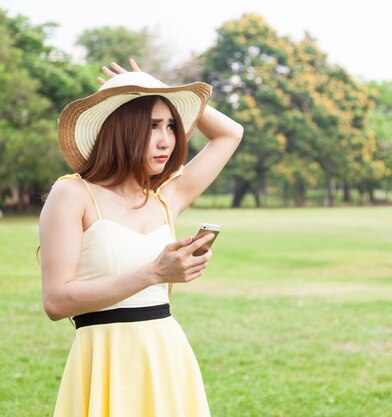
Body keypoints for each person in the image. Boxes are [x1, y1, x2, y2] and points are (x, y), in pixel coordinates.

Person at [38, 59, 243, 416]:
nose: (167, 140)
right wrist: (155, 272)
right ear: (121, 128)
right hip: (104, 357)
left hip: (165, 353)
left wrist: (157, 86)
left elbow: (230, 133)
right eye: (152, 126)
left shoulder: (166, 197)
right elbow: (56, 301)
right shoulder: (72, 194)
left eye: (171, 126)